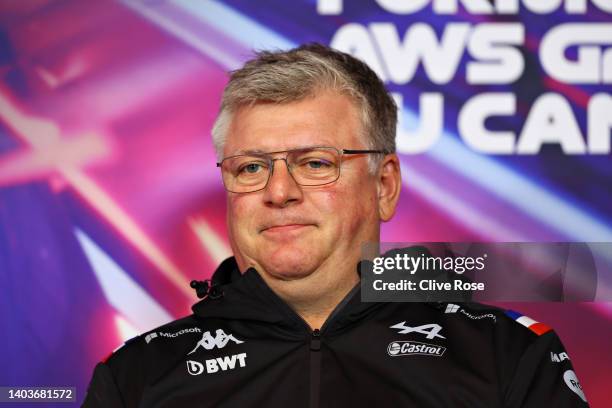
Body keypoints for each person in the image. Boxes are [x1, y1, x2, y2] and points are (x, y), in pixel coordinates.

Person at [83, 43, 589, 407]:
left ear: (384, 185)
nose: (279, 192)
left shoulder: (507, 356)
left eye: (316, 163)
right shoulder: (137, 377)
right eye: (251, 168)